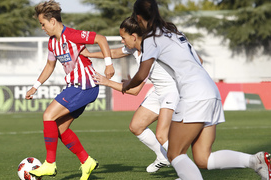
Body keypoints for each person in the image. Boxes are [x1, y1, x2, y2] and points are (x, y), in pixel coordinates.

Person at [122, 0, 271, 180]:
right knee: (203, 158)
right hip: (211, 91)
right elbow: (198, 59)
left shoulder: (151, 39)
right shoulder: (175, 32)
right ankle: (256, 161)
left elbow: (141, 75)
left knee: (175, 154)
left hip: (194, 95)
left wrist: (126, 85)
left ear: (138, 18)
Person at [25, 1, 115, 179]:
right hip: (75, 87)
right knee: (60, 129)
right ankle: (86, 161)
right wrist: (35, 86)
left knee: (48, 116)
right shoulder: (52, 43)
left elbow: (101, 39)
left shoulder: (73, 35)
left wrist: (108, 64)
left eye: (43, 23)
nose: (42, 27)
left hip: (85, 85)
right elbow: (50, 65)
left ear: (52, 21)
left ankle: (50, 164)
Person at [81, 17, 179, 173]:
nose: (121, 41)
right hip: (159, 91)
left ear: (134, 37)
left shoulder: (150, 54)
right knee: (136, 126)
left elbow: (134, 90)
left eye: (123, 37)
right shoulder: (135, 48)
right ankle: (162, 157)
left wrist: (106, 82)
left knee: (162, 136)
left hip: (173, 92)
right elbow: (113, 52)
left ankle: (187, 171)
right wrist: (90, 54)